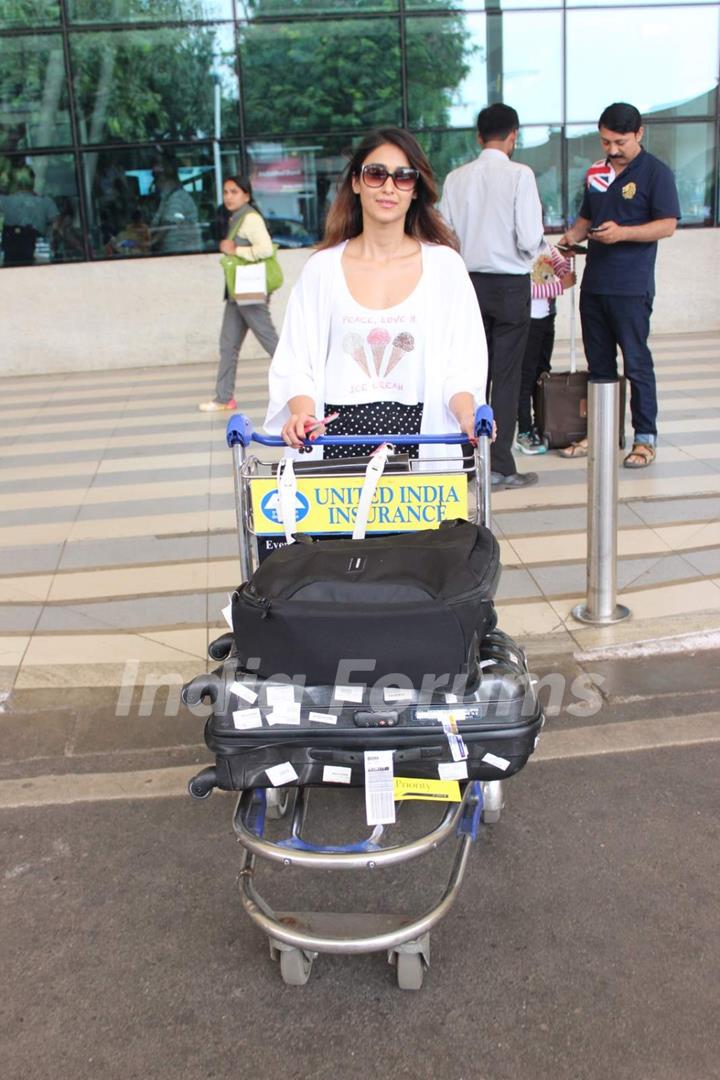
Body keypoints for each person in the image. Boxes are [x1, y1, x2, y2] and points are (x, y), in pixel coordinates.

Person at [264, 127, 487, 469]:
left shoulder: (444, 267)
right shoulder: (322, 270)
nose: (388, 187)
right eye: (376, 173)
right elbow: (296, 361)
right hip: (335, 443)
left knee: (425, 527)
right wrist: (301, 414)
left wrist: (467, 416)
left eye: (403, 177)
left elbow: (462, 365)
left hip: (421, 441)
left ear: (416, 190)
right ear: (356, 182)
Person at [558, 102, 680, 468]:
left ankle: (645, 438)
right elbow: (586, 217)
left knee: (637, 362)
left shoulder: (656, 173)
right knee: (599, 366)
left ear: (639, 134)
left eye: (619, 142)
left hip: (631, 286)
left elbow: (667, 225)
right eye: (605, 141)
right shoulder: (597, 171)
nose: (611, 150)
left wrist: (622, 234)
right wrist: (566, 242)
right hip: (594, 284)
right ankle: (600, 431)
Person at [439, 103, 544, 490]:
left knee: (469, 374)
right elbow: (529, 237)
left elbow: (444, 236)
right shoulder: (520, 175)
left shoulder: (455, 178)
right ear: (513, 135)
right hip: (510, 284)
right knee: (506, 374)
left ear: (479, 136)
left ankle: (467, 462)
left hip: (466, 285)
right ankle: (499, 464)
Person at [199, 175, 279, 412]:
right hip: (238, 293)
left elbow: (265, 249)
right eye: (225, 192)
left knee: (272, 343)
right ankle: (224, 398)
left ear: (246, 194)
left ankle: (310, 386)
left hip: (250, 292)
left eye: (234, 191)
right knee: (228, 345)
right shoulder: (237, 217)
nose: (229, 196)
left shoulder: (251, 218)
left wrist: (236, 249)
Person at [515, 243, 575, 454]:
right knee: (526, 375)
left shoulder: (547, 246)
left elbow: (563, 271)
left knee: (543, 372)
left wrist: (567, 257)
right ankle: (523, 429)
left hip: (547, 318)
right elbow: (523, 288)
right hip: (527, 320)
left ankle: (542, 423)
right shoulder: (519, 249)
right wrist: (560, 287)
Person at [0, 166, 58, 266]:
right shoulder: (46, 202)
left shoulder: (4, 201)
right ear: (33, 181)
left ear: (14, 182)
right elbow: (57, 227)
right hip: (40, 251)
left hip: (11, 255)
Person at [150, 159, 201, 254]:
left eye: (159, 178)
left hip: (183, 253)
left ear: (169, 179)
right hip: (171, 252)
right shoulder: (166, 198)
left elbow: (168, 223)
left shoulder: (179, 196)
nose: (156, 183)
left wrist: (151, 242)